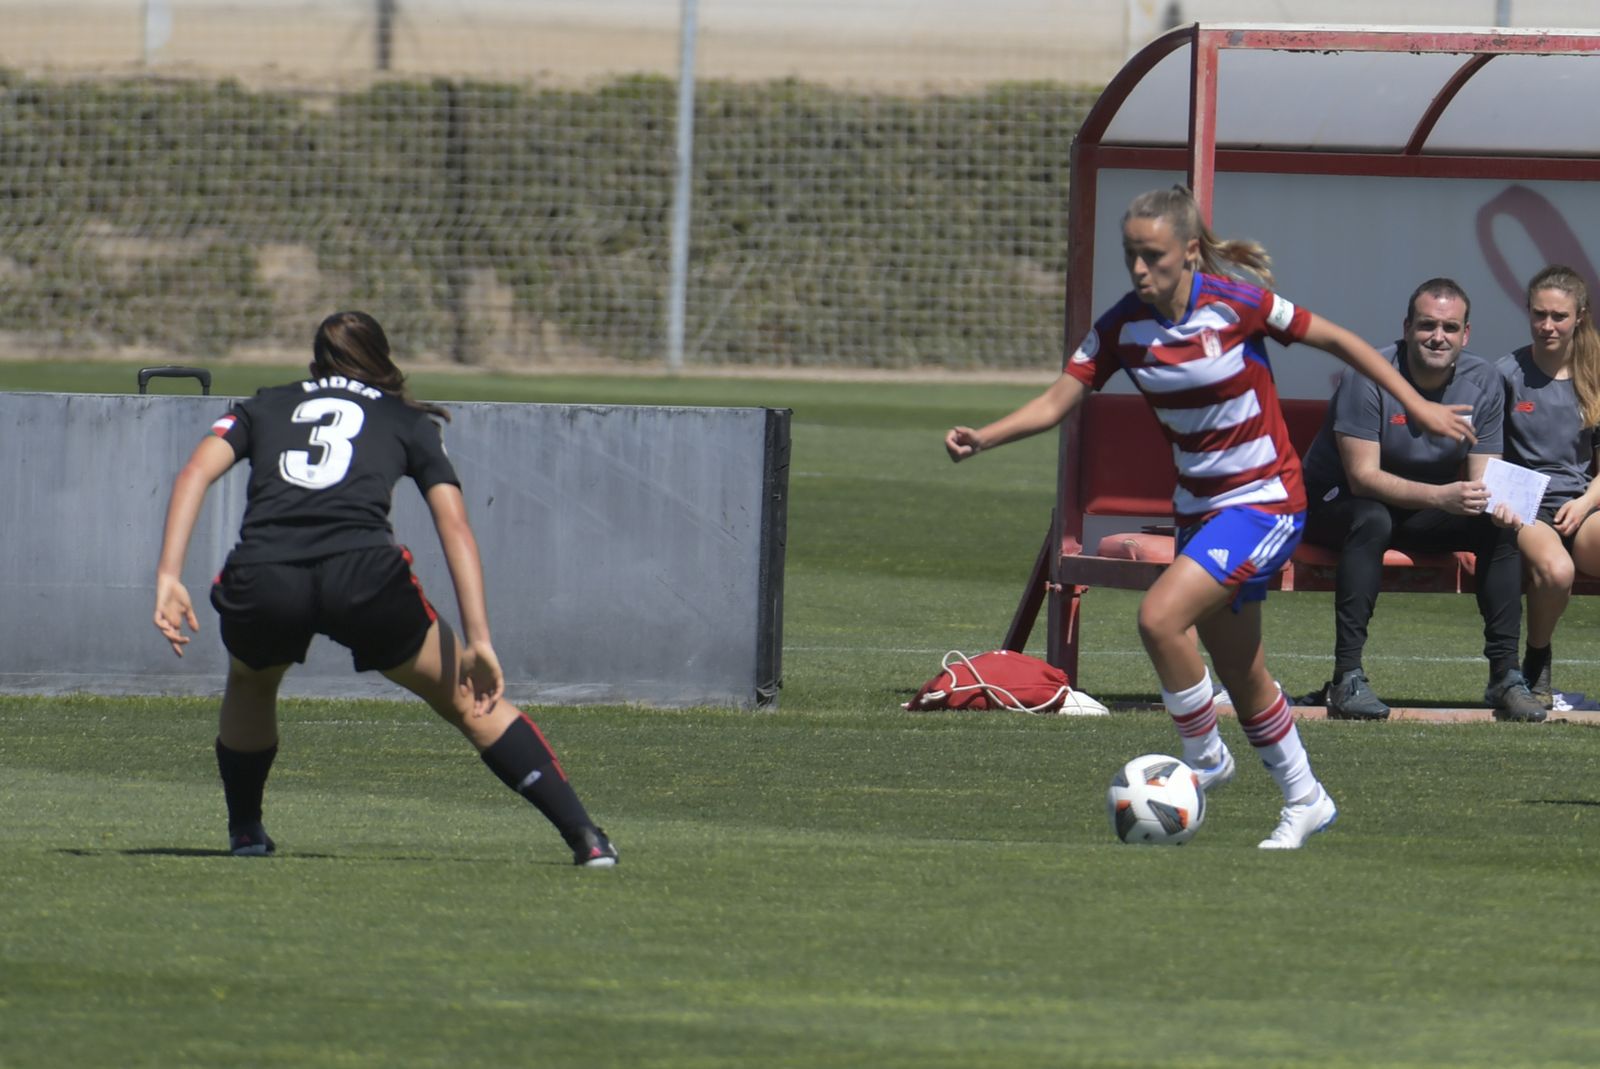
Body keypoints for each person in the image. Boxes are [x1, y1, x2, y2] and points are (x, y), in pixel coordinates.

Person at [944, 185, 1474, 849]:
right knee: (1243, 672)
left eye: (1154, 256)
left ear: (1190, 252)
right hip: (1200, 512)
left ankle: (1206, 759)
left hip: (1266, 500)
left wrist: (1419, 408)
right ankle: (1306, 797)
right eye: (1131, 255)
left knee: (1159, 617)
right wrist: (984, 437)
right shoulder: (1121, 326)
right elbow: (1058, 401)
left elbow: (1337, 339)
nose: (1140, 269)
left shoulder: (1235, 303)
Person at [153, 310, 619, 866]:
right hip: (365, 576)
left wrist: (167, 576)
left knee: (251, 684)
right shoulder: (407, 419)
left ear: (314, 361)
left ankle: (247, 832)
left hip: (267, 573)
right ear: (383, 359)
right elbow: (455, 526)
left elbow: (193, 474)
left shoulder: (263, 404)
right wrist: (479, 640)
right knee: (473, 704)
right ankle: (585, 838)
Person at [1298, 278, 1544, 723]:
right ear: (1407, 327)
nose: (1438, 336)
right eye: (1427, 324)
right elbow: (1363, 478)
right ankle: (1346, 678)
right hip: (1336, 503)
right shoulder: (1368, 373)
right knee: (1372, 519)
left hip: (1421, 505)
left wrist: (1499, 505)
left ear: (1465, 334)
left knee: (1498, 526)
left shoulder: (1484, 380)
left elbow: (1482, 477)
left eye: (1450, 327)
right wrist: (1441, 496)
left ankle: (1506, 677)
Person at [1498, 265, 1600, 708]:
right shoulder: (1505, 373)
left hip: (1582, 506)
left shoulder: (1594, 373)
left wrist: (1585, 503)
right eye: (1539, 314)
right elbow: (1486, 460)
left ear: (1579, 315)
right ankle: (1537, 664)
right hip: (1523, 506)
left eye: (1558, 316)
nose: (1547, 325)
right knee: (1556, 571)